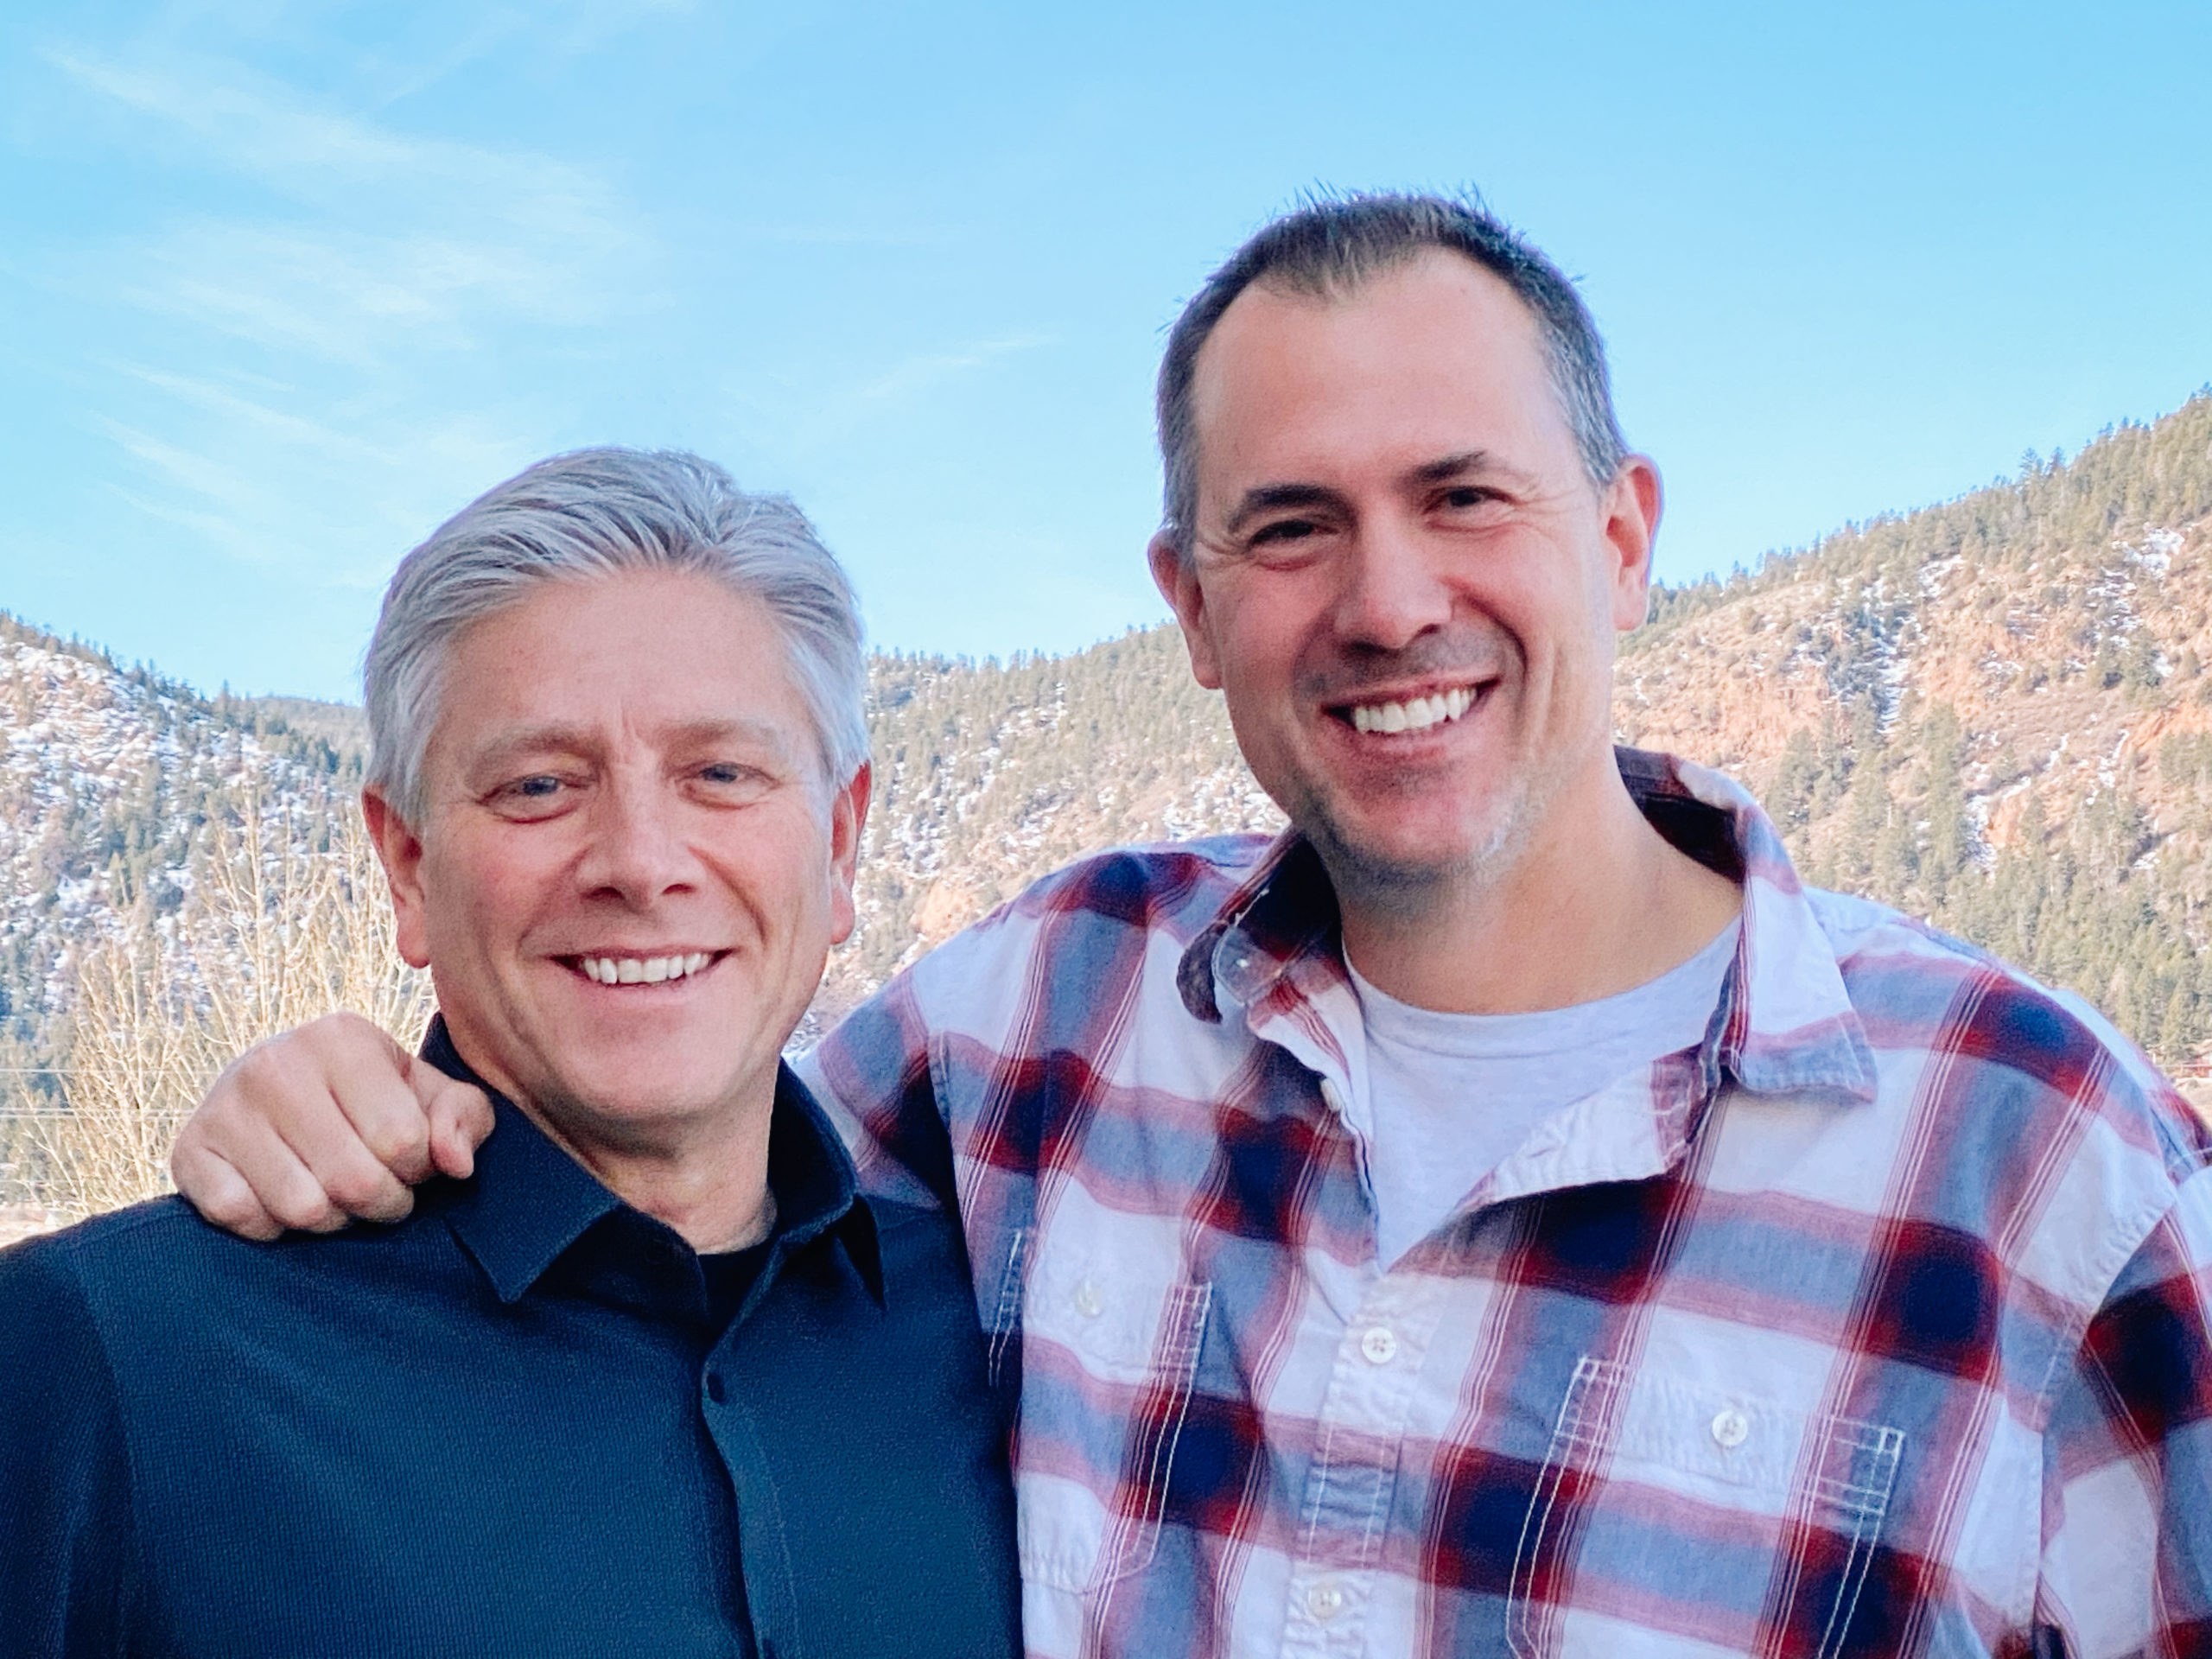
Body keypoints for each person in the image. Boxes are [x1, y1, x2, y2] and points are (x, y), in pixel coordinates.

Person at [169, 196, 2212, 1656]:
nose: (1387, 600)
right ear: (1190, 606)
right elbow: (651, 1118)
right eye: (1290, 526)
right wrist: (356, 1094)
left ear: (1620, 537)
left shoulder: (2041, 1159)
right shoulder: (1040, 1030)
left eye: (1463, 497)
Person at [0, 448, 1021, 1658]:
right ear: (409, 866)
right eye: (540, 785)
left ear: (842, 847)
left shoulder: (1014, 1336)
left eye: (722, 775)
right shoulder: (111, 1362)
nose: (641, 861)